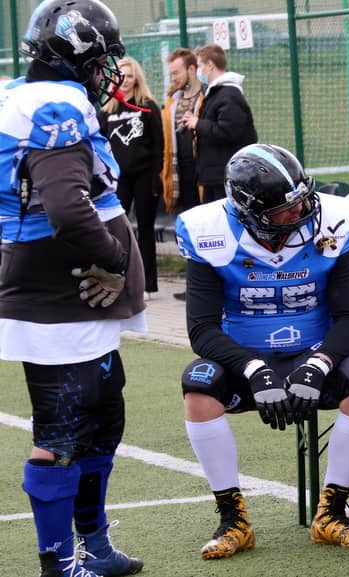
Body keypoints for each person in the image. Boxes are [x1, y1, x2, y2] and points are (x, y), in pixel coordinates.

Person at [175, 144, 349, 561]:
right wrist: (253, 368)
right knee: (198, 383)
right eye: (284, 210)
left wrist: (319, 363)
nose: (300, 213)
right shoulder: (208, 230)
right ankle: (232, 519)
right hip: (244, 358)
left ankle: (332, 512)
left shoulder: (334, 220)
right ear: (248, 211)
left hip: (315, 353)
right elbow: (201, 329)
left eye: (302, 200)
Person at [0, 1, 146, 576]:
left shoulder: (28, 94)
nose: (111, 70)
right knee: (62, 432)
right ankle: (59, 564)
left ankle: (95, 546)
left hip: (70, 295)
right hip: (62, 293)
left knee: (103, 419)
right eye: (103, 57)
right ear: (78, 55)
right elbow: (65, 206)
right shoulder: (54, 104)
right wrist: (113, 258)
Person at [100, 56, 164, 298]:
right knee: (117, 228)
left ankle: (148, 284)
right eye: (121, 76)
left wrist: (157, 177)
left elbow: (159, 144)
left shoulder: (147, 105)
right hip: (118, 179)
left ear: (136, 78)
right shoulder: (107, 110)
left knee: (145, 229)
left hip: (145, 176)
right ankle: (118, 277)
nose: (125, 81)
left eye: (129, 76)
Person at [180, 43, 257, 204]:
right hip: (214, 175)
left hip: (225, 175)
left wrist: (198, 124)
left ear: (210, 65)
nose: (198, 71)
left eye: (200, 65)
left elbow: (228, 131)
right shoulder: (216, 93)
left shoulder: (229, 94)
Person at [160, 48, 203, 214]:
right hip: (180, 169)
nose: (173, 78)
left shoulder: (206, 96)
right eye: (171, 74)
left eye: (176, 73)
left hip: (202, 167)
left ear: (191, 69)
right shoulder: (171, 103)